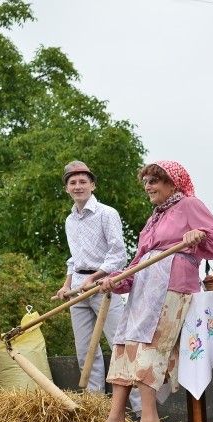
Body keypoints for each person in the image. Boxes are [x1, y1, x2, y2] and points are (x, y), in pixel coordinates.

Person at [83, 160, 213, 422]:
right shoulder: (155, 216)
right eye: (146, 182)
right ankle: (115, 419)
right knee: (123, 344)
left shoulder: (189, 205)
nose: (148, 187)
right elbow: (139, 262)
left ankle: (150, 421)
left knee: (148, 345)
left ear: (172, 183)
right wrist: (118, 279)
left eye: (154, 181)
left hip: (171, 286)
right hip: (143, 288)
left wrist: (199, 236)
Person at [52, 161, 139, 404]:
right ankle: (96, 409)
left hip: (105, 287)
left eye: (82, 181)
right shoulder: (70, 220)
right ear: (66, 189)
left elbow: (118, 255)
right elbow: (74, 259)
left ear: (92, 185)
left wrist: (94, 277)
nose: (78, 186)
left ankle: (142, 412)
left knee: (120, 346)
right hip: (79, 291)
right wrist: (66, 285)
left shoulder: (107, 214)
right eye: (72, 182)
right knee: (85, 352)